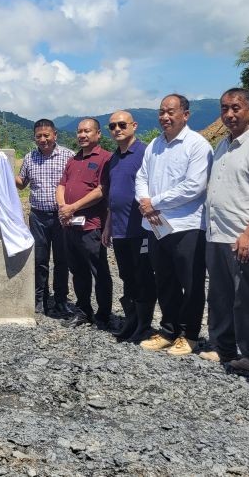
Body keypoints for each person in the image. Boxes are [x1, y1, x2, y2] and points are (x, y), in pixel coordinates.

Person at [200, 88, 249, 372]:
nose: (229, 114)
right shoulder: (222, 144)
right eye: (224, 109)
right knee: (219, 295)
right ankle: (224, 348)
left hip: (240, 234)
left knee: (247, 297)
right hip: (215, 232)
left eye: (236, 108)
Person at [135, 94, 212, 356]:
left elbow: (194, 186)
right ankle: (168, 330)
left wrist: (153, 202)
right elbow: (141, 176)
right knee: (164, 279)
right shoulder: (154, 144)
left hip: (187, 225)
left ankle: (189, 334)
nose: (164, 117)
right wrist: (144, 201)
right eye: (161, 112)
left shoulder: (197, 145)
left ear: (185, 115)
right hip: (157, 225)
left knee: (190, 282)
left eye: (171, 112)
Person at [101, 111, 156, 343]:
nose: (117, 129)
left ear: (134, 125)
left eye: (122, 124)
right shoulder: (114, 158)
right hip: (120, 229)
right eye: (112, 126)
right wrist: (108, 225)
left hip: (140, 228)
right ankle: (131, 320)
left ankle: (144, 325)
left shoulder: (145, 153)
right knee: (126, 275)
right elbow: (114, 196)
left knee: (142, 275)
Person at [57, 118, 113, 329]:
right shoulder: (73, 159)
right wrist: (63, 207)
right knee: (78, 271)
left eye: (87, 131)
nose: (82, 135)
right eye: (79, 131)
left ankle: (104, 315)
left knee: (99, 272)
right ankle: (83, 311)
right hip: (70, 225)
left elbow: (101, 190)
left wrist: (74, 207)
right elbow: (61, 185)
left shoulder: (105, 158)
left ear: (98, 134)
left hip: (92, 226)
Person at [16, 119, 74, 317]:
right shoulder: (29, 157)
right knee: (39, 259)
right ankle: (39, 298)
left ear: (55, 135)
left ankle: (60, 299)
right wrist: (0, 171)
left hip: (61, 217)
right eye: (39, 136)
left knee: (61, 260)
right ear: (34, 137)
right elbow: (22, 183)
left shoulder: (68, 156)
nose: (43, 139)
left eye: (46, 135)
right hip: (38, 217)